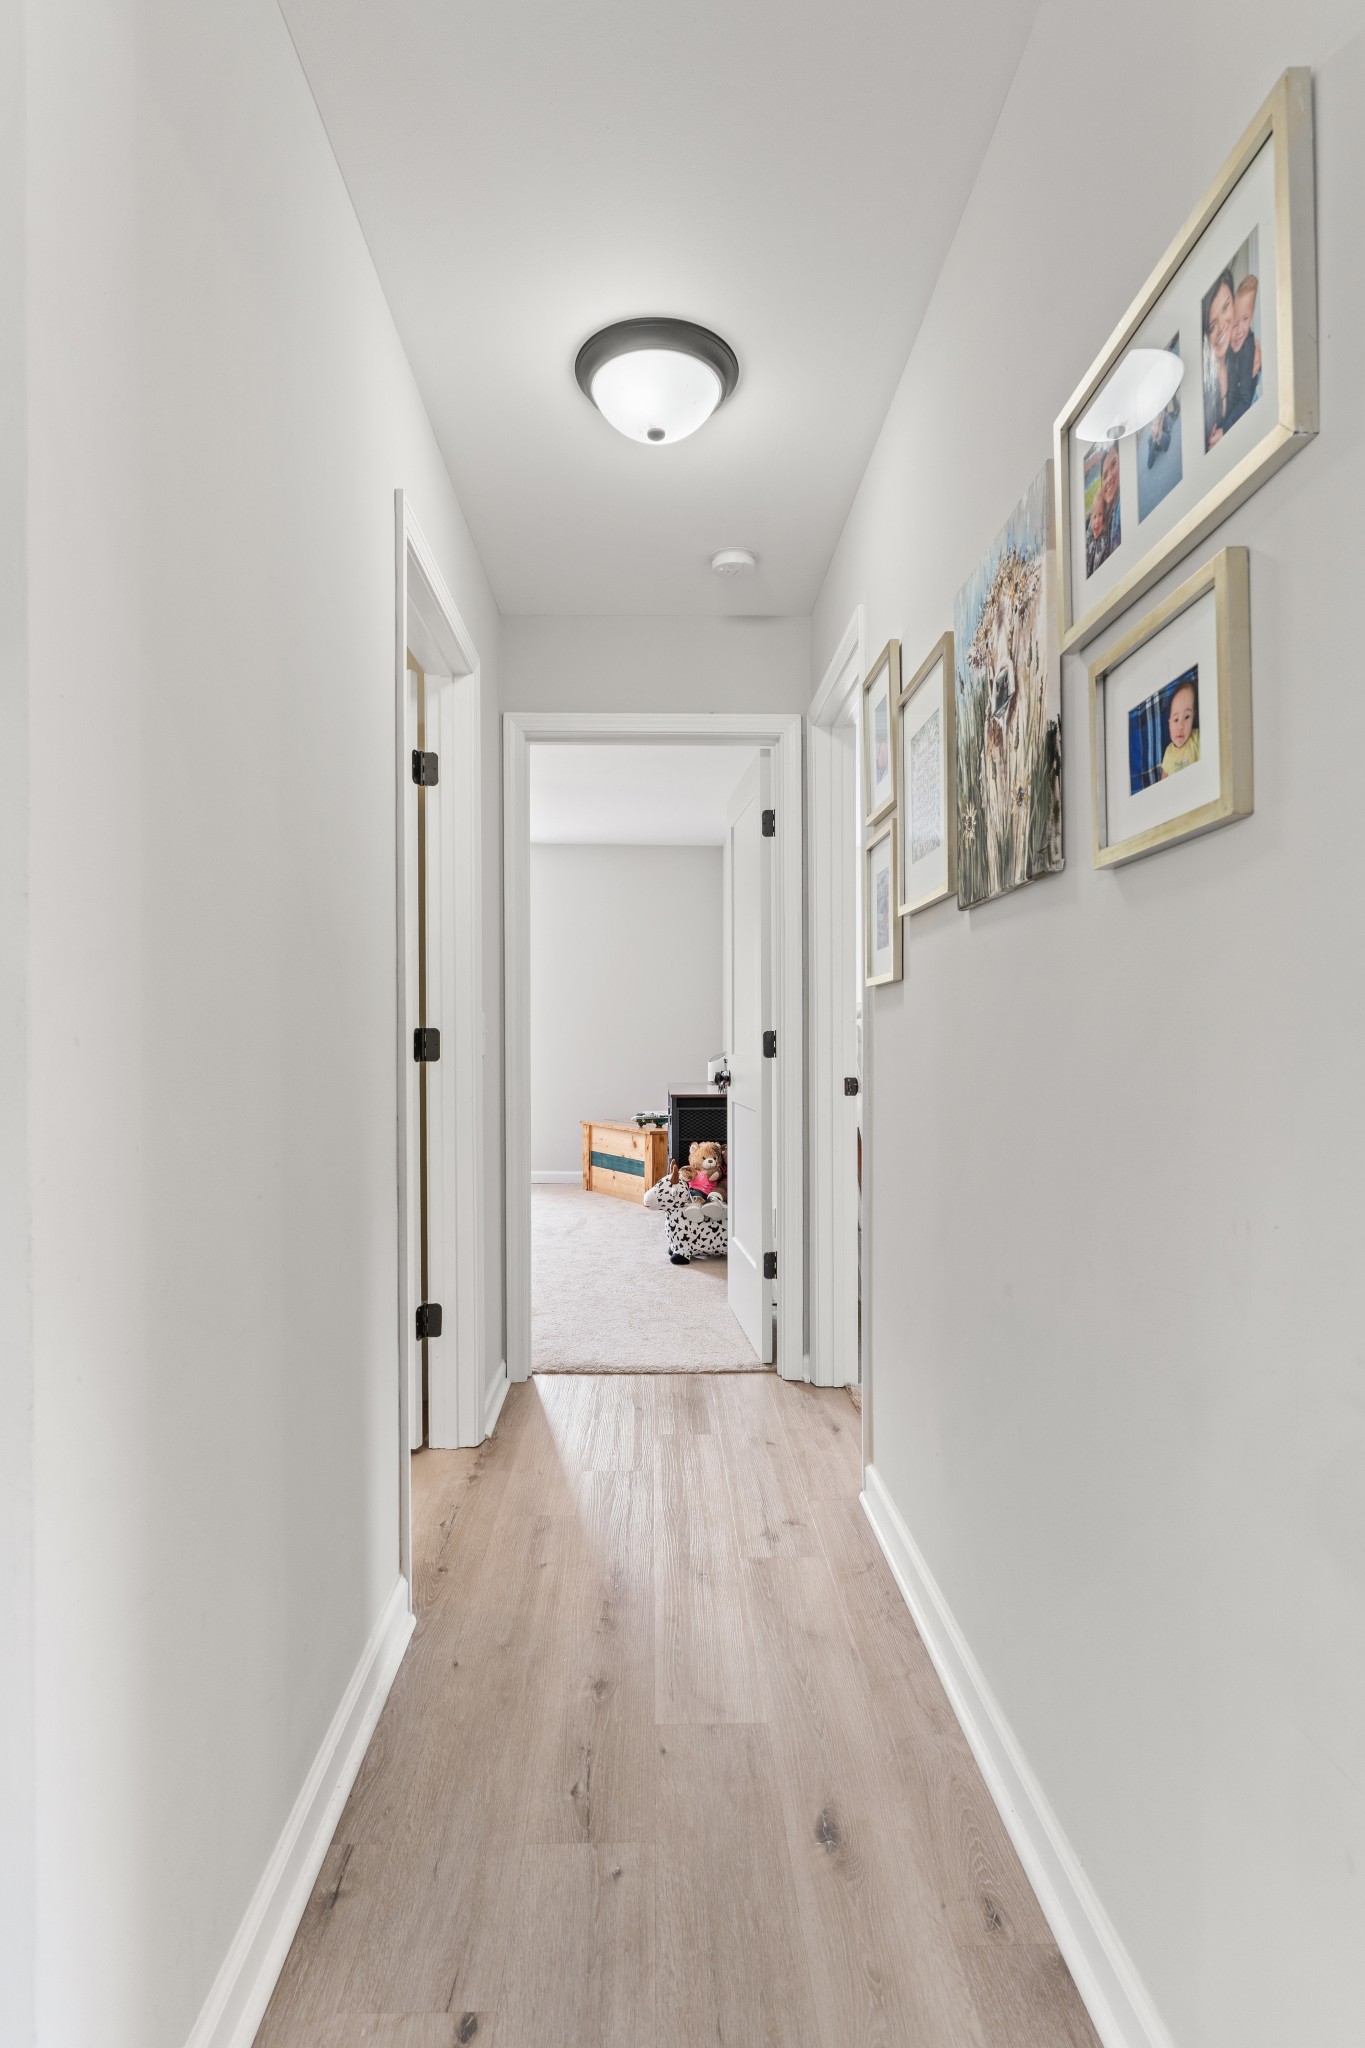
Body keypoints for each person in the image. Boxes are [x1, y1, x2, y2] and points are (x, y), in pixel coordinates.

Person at [1224, 274, 1262, 429]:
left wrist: (1224, 429)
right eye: (1234, 323)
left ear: (1252, 317)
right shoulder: (1231, 346)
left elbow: (1245, 400)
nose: (1239, 330)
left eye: (1245, 319)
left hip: (1245, 407)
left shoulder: (1247, 351)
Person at [1203, 268, 1236, 448]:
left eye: (1226, 307)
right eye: (1213, 325)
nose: (1223, 326)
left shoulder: (1244, 353)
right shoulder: (1203, 386)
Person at [1161, 674, 1200, 778]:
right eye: (1176, 720)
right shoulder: (1169, 752)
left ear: (1194, 717)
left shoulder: (1196, 738)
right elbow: (1164, 775)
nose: (1180, 726)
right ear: (1169, 723)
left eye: (1187, 717)